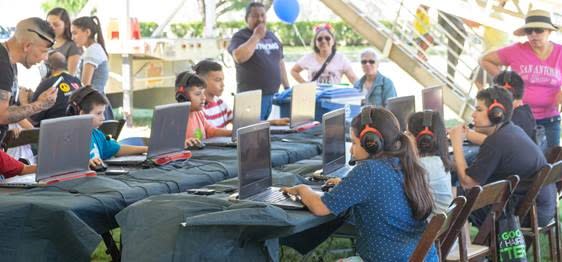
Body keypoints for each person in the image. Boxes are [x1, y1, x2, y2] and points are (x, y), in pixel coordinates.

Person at [282, 107, 437, 261]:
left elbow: (320, 207)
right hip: (421, 257)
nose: (351, 150)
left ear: (372, 143)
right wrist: (345, 185)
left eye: (354, 143)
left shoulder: (369, 170)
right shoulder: (405, 162)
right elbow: (380, 191)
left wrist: (302, 189)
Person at [449, 87, 555, 227]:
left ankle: (455, 245)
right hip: (542, 208)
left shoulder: (496, 143)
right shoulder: (512, 130)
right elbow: (492, 148)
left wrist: (456, 143)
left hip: (527, 214)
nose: (473, 115)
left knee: (460, 194)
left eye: (479, 110)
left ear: (496, 114)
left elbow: (468, 182)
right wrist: (463, 142)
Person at [480, 9, 562, 149]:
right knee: (522, 161)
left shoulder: (560, 52)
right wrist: (506, 84)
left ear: (549, 31)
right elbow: (485, 60)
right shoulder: (516, 51)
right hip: (520, 118)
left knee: (551, 163)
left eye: (538, 30)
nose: (533, 35)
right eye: (529, 31)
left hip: (550, 119)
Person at [228, 2, 291, 120]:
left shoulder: (272, 36)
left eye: (263, 15)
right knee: (251, 133)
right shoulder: (240, 36)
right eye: (255, 16)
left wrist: (287, 88)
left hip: (272, 95)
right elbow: (239, 57)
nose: (260, 19)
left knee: (267, 132)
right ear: (247, 18)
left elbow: (280, 62)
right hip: (251, 97)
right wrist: (256, 36)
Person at [0, 17, 58, 142]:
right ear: (27, 46)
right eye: (43, 51)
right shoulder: (2, 64)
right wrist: (40, 104)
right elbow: (2, 115)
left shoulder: (9, 61)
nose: (46, 58)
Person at [66, 86, 147, 168]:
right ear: (82, 114)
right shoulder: (67, 139)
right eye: (98, 113)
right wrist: (84, 164)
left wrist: (145, 149)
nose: (103, 118)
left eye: (103, 113)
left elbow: (116, 149)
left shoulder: (95, 134)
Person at [194, 59, 289, 128]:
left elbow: (242, 123)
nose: (223, 85)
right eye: (218, 80)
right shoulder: (198, 109)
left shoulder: (221, 104)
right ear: (201, 82)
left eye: (223, 80)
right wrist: (232, 133)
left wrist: (272, 122)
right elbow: (209, 132)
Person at [466, 71, 536, 145]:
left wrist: (466, 134)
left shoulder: (515, 118)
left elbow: (498, 144)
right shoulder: (525, 112)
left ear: (508, 93)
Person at [407, 110, 453, 217]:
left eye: (409, 134)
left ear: (424, 140)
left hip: (430, 230)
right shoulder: (438, 161)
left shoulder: (423, 166)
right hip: (441, 227)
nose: (405, 138)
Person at [71, 16, 113, 120]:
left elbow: (85, 85)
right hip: (98, 104)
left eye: (75, 33)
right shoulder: (95, 48)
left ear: (87, 32)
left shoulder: (92, 51)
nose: (73, 37)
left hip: (94, 108)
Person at [174, 71, 231, 147]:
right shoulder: (174, 118)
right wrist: (182, 143)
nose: (203, 97)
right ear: (182, 97)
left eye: (203, 93)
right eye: (198, 94)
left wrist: (233, 133)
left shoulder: (198, 113)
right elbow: (164, 144)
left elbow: (211, 131)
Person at [290, 23, 356, 85]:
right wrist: (305, 84)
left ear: (333, 41)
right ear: (315, 43)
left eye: (327, 38)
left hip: (332, 96)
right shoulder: (309, 57)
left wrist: (363, 90)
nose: (323, 41)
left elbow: (352, 77)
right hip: (314, 96)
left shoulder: (341, 58)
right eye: (319, 39)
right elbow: (294, 71)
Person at [30, 51, 81, 126]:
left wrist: (23, 100)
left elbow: (33, 120)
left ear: (47, 68)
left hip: (52, 131)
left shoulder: (47, 84)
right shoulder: (76, 81)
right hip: (75, 127)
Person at [46, 7, 82, 76]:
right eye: (48, 24)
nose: (51, 28)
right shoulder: (46, 43)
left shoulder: (73, 46)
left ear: (66, 25)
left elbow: (71, 75)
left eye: (56, 25)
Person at [438, 11, 466, 86]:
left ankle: (454, 62)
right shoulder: (443, 6)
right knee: (452, 59)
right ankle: (450, 82)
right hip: (452, 33)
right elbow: (440, 21)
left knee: (455, 57)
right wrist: (447, 31)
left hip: (461, 32)